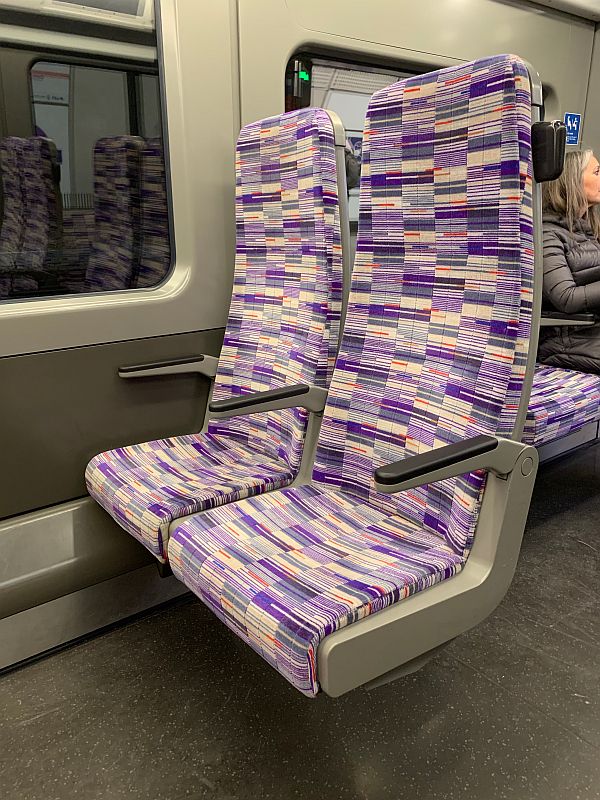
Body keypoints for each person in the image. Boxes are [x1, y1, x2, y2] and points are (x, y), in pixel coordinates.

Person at [538, 149, 600, 372]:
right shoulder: (548, 234)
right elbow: (566, 297)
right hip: (565, 340)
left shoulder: (587, 230)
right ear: (573, 182)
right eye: (597, 171)